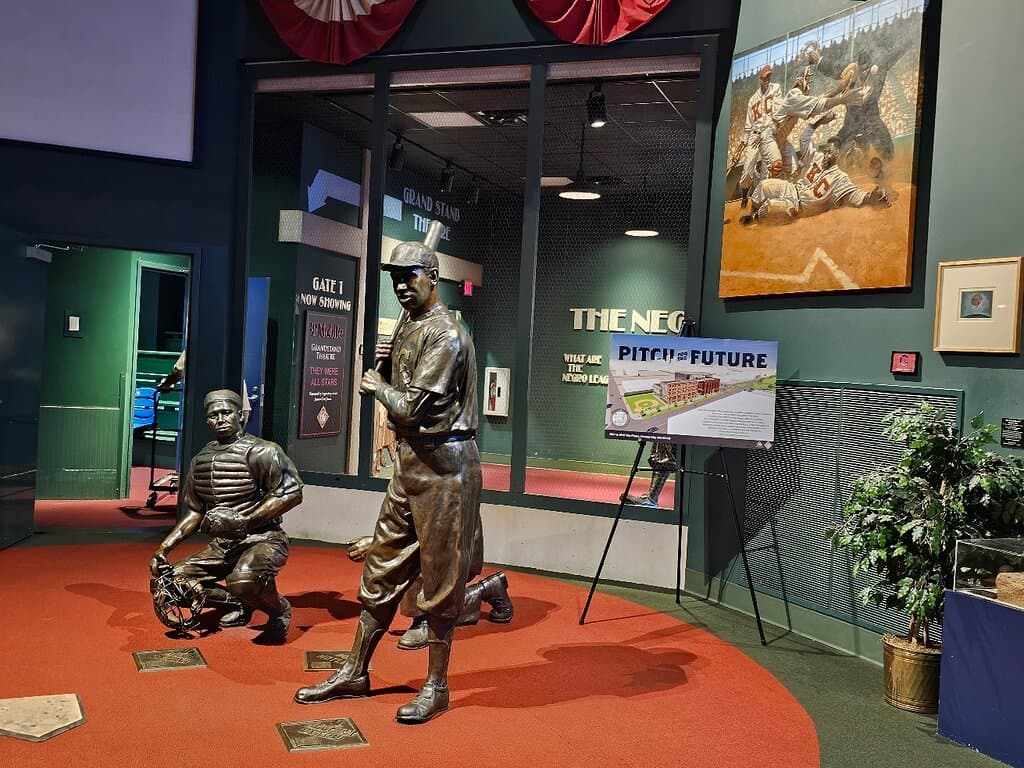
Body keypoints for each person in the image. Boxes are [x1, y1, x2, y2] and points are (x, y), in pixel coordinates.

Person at [295, 224, 483, 724]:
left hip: (446, 467)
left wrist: (377, 386)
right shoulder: (409, 325)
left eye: (410, 275)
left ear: (433, 277)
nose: (401, 284)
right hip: (411, 463)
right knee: (381, 567)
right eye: (395, 277)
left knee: (440, 582)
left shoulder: (446, 335)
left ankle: (436, 686)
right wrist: (386, 372)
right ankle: (355, 669)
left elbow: (411, 409)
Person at [149, 389, 302, 644]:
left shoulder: (263, 451)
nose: (220, 419)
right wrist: (163, 549)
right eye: (213, 415)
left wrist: (248, 520)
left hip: (264, 538)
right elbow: (195, 511)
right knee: (172, 581)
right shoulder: (200, 460)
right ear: (207, 420)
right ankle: (240, 604)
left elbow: (291, 492)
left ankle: (279, 610)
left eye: (226, 412)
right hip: (222, 545)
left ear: (240, 415)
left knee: (242, 579)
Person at [346, 535, 513, 650]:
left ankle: (426, 617)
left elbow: (440, 531)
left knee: (408, 561)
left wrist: (381, 544)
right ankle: (489, 588)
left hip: (453, 547)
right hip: (434, 543)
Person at [741, 136, 891, 226]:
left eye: (829, 152)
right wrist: (815, 124)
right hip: (791, 188)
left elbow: (856, 196)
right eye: (825, 151)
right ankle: (753, 211)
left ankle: (754, 218)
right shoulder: (818, 158)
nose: (825, 155)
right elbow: (804, 139)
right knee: (763, 186)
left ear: (838, 154)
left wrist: (872, 198)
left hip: (797, 206)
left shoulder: (840, 178)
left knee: (770, 207)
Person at [733, 64, 783, 209]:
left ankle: (766, 199)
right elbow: (747, 127)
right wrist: (739, 149)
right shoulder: (752, 100)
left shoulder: (776, 89)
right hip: (754, 137)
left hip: (768, 134)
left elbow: (778, 114)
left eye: (769, 77)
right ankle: (744, 198)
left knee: (776, 165)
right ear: (760, 79)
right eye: (765, 77)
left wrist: (768, 131)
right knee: (747, 172)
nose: (767, 80)